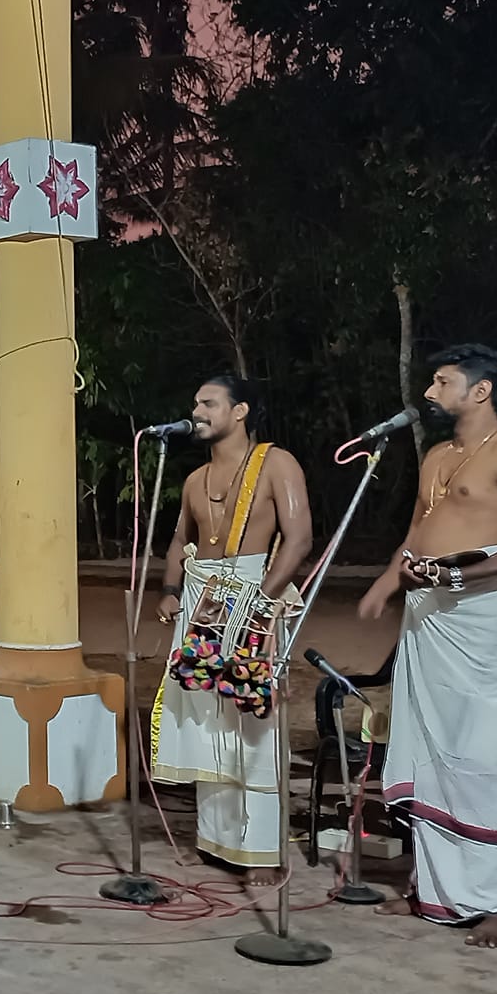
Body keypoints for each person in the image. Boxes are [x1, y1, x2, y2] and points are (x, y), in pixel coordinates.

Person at [358, 344, 497, 948]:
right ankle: (433, 892)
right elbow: (418, 533)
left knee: (488, 756)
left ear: (481, 391)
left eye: (441, 382)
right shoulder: (439, 457)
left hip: (488, 621)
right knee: (431, 750)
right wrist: (386, 583)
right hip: (430, 620)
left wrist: (462, 575)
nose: (428, 392)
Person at [152, 375, 312, 886]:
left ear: (239, 410)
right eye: (194, 401)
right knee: (205, 718)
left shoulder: (274, 462)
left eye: (207, 402)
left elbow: (299, 537)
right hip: (203, 599)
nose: (195, 410)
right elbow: (181, 538)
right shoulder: (195, 479)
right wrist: (171, 589)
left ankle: (264, 851)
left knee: (252, 718)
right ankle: (216, 841)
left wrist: (264, 601)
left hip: (254, 593)